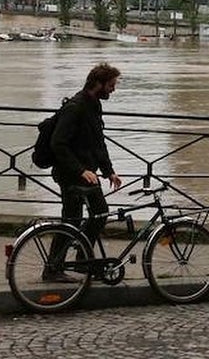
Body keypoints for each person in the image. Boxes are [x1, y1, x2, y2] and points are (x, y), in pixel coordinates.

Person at [48, 63, 123, 280]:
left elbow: (98, 142)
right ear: (98, 84)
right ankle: (53, 268)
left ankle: (82, 260)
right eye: (111, 85)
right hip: (71, 174)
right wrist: (81, 170)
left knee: (99, 214)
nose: (113, 90)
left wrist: (109, 171)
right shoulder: (76, 106)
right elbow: (58, 143)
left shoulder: (94, 105)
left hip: (87, 172)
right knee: (71, 220)